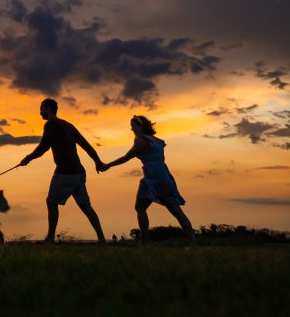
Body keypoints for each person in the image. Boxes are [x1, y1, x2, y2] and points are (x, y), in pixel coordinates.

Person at [19, 98, 107, 244]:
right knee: (86, 206)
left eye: (41, 108)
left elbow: (43, 148)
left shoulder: (50, 125)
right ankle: (102, 240)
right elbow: (87, 146)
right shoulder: (69, 125)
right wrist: (98, 162)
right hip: (79, 173)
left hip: (65, 173)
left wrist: (27, 159)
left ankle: (50, 238)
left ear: (48, 109)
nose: (40, 112)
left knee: (51, 201)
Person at [99, 115, 196, 245]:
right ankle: (193, 242)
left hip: (153, 177)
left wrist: (108, 165)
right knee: (176, 211)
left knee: (140, 208)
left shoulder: (142, 141)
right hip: (165, 176)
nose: (131, 129)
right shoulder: (156, 140)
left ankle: (144, 242)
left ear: (140, 126)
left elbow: (126, 157)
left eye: (133, 126)